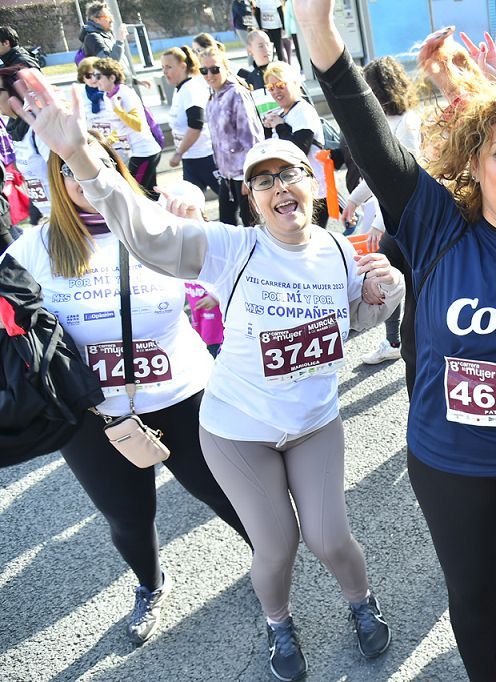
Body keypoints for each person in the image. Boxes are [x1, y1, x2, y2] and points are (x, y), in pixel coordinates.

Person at [12, 62, 405, 678]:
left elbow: (351, 326)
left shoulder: (336, 250)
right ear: (250, 199)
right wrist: (83, 158)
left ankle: (362, 603)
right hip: (237, 427)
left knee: (330, 539)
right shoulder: (229, 248)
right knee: (275, 546)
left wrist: (389, 292)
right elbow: (149, 232)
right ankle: (279, 625)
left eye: (290, 174)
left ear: (312, 182)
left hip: (313, 421)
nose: (279, 186)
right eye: (262, 179)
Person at [295, 9, 496, 679]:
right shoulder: (433, 220)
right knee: (471, 596)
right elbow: (364, 126)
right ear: (476, 160)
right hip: (449, 459)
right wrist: (318, 30)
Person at [0, 131, 250, 646]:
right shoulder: (38, 246)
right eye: (69, 169)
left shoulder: (157, 222)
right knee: (129, 517)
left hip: (183, 395)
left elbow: (231, 273)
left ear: (112, 166)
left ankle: (269, 557)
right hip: (92, 415)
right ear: (56, 178)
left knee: (222, 492)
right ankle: (150, 584)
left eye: (92, 163)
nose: (82, 179)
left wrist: (196, 214)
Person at [336, 56, 421, 366]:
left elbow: (404, 179)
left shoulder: (406, 123)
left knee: (401, 281)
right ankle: (397, 340)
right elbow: (376, 174)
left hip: (405, 220)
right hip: (389, 218)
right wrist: (355, 201)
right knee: (389, 277)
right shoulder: (385, 121)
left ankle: (405, 341)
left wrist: (381, 224)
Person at [260, 60, 329, 227]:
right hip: (295, 187)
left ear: (295, 83)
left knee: (311, 234)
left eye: (281, 85)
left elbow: (299, 149)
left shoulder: (303, 111)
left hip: (315, 189)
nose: (276, 91)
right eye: (271, 88)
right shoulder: (282, 112)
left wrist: (280, 126)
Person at [201, 45, 264, 226]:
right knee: (227, 223)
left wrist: (250, 176)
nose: (209, 75)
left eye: (214, 69)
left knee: (252, 224)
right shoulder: (212, 97)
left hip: (242, 173)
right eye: (204, 71)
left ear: (225, 67)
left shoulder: (236, 93)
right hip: (226, 175)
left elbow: (252, 137)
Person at [91, 58, 162, 197]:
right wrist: (108, 141)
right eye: (93, 76)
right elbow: (119, 126)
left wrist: (119, 111)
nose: (95, 80)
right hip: (133, 151)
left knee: (136, 193)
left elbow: (138, 125)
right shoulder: (107, 96)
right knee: (149, 194)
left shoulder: (125, 93)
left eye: (98, 76)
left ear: (112, 77)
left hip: (144, 152)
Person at [162, 46, 218, 198]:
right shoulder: (179, 89)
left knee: (230, 202)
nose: (165, 72)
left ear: (183, 66)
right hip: (190, 160)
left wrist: (178, 153)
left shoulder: (191, 89)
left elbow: (196, 124)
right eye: (163, 68)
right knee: (190, 203)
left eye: (169, 67)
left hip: (206, 157)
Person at [0, 64, 50, 222]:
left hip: (67, 214)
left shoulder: (39, 127)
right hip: (44, 213)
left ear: (15, 93)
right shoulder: (14, 128)